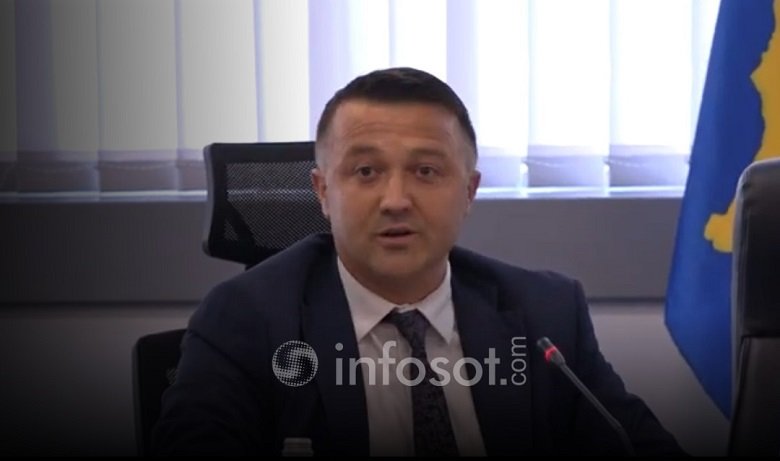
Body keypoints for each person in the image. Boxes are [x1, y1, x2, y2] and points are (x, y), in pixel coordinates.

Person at [152, 67, 686, 456]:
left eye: (426, 172)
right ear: (322, 192)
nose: (396, 200)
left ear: (469, 191)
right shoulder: (246, 319)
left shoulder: (545, 314)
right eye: (366, 172)